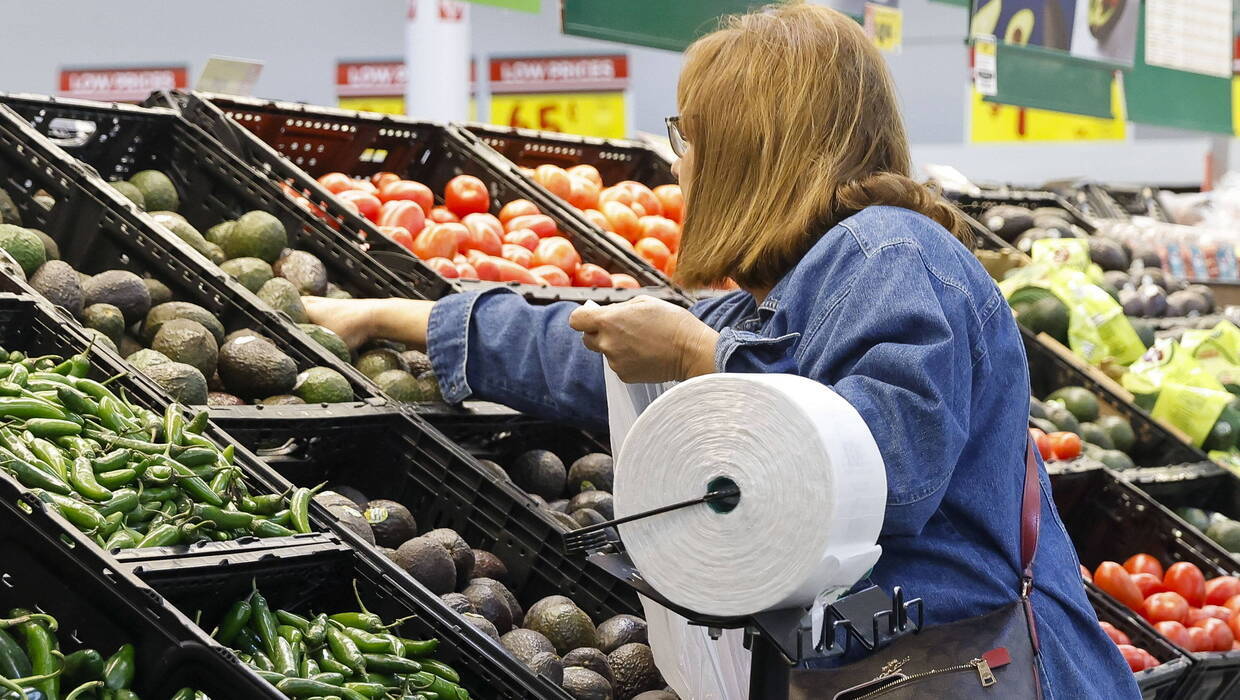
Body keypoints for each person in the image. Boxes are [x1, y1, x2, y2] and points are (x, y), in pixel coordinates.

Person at [306, 2, 1138, 696]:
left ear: (753, 145)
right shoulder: (792, 285)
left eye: (689, 134)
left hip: (967, 666)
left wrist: (704, 359)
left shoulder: (893, 256)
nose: (681, 162)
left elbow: (887, 468)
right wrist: (392, 317)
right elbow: (590, 350)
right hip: (871, 663)